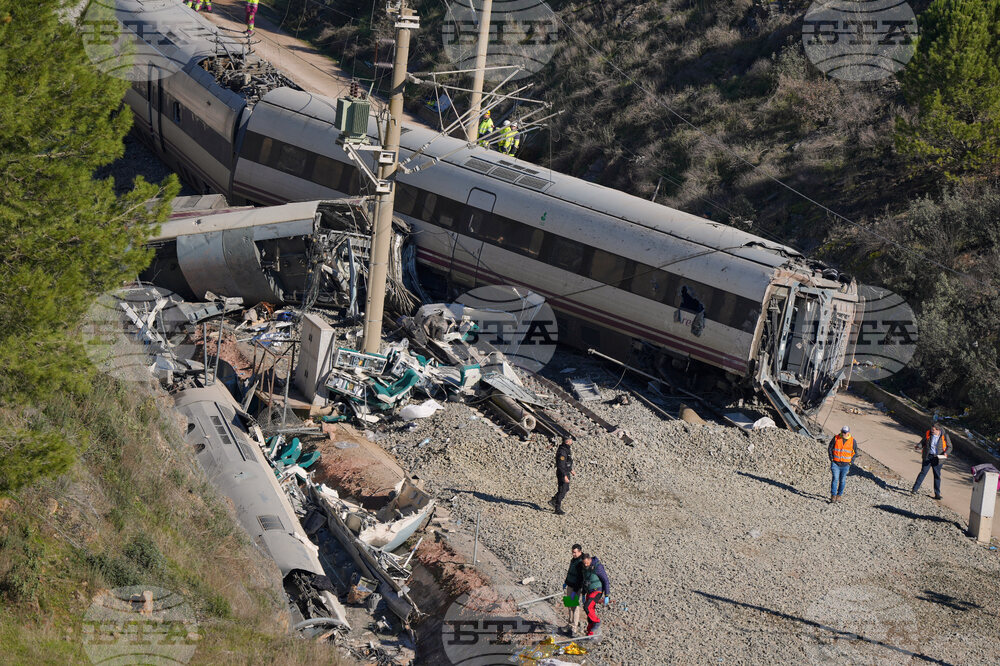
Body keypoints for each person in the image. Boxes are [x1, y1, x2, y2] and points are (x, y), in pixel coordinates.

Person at [912, 423, 950, 500]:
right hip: (928, 456)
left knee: (937, 476)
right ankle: (914, 489)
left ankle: (937, 494)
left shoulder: (945, 436)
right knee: (923, 473)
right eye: (931, 429)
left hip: (938, 458)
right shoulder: (928, 433)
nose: (931, 431)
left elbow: (950, 446)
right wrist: (918, 446)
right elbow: (923, 442)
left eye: (933, 430)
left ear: (938, 430)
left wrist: (946, 453)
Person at [580, 553, 610, 637]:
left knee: (587, 607)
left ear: (590, 559)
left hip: (597, 591)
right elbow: (585, 580)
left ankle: (597, 621)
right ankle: (590, 633)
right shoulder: (584, 567)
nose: (585, 564)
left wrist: (607, 595)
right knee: (590, 613)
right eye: (584, 563)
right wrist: (583, 593)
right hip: (589, 591)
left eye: (587, 563)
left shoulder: (598, 567)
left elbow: (605, 580)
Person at [828, 425, 855, 503]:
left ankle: (839, 495)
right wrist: (831, 459)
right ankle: (833, 495)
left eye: (845, 432)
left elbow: (855, 452)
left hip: (845, 465)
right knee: (835, 479)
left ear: (848, 433)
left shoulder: (852, 441)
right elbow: (830, 448)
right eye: (842, 432)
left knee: (842, 481)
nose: (843, 433)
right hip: (835, 463)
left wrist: (851, 462)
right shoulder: (836, 438)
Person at [562, 544, 585, 636]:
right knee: (569, 605)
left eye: (575, 552)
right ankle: (569, 624)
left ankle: (574, 628)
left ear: (580, 551)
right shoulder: (573, 560)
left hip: (576, 588)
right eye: (572, 552)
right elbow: (569, 571)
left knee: (574, 606)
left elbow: (580, 579)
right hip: (569, 585)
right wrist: (566, 582)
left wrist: (575, 591)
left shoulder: (581, 562)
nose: (573, 554)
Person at [548, 437, 574, 515]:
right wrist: (564, 476)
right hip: (562, 473)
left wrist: (571, 470)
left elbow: (567, 462)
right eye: (570, 440)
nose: (572, 441)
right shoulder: (562, 451)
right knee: (562, 490)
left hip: (566, 471)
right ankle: (557, 508)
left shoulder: (566, 449)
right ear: (567, 441)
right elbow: (561, 465)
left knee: (566, 489)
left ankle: (553, 501)